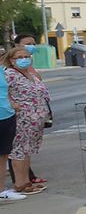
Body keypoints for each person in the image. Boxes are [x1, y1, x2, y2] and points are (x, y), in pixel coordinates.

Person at [3, 44, 48, 195]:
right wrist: (12, 104)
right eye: (20, 57)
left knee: (27, 150)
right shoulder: (9, 74)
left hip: (35, 119)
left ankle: (27, 181)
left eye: (27, 57)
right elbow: (3, 92)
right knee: (19, 150)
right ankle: (20, 184)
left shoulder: (29, 74)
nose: (24, 60)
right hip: (22, 118)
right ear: (11, 60)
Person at [0, 55, 23, 201]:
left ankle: (1, 191)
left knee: (3, 156)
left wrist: (11, 104)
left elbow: (5, 92)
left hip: (6, 116)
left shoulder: (2, 71)